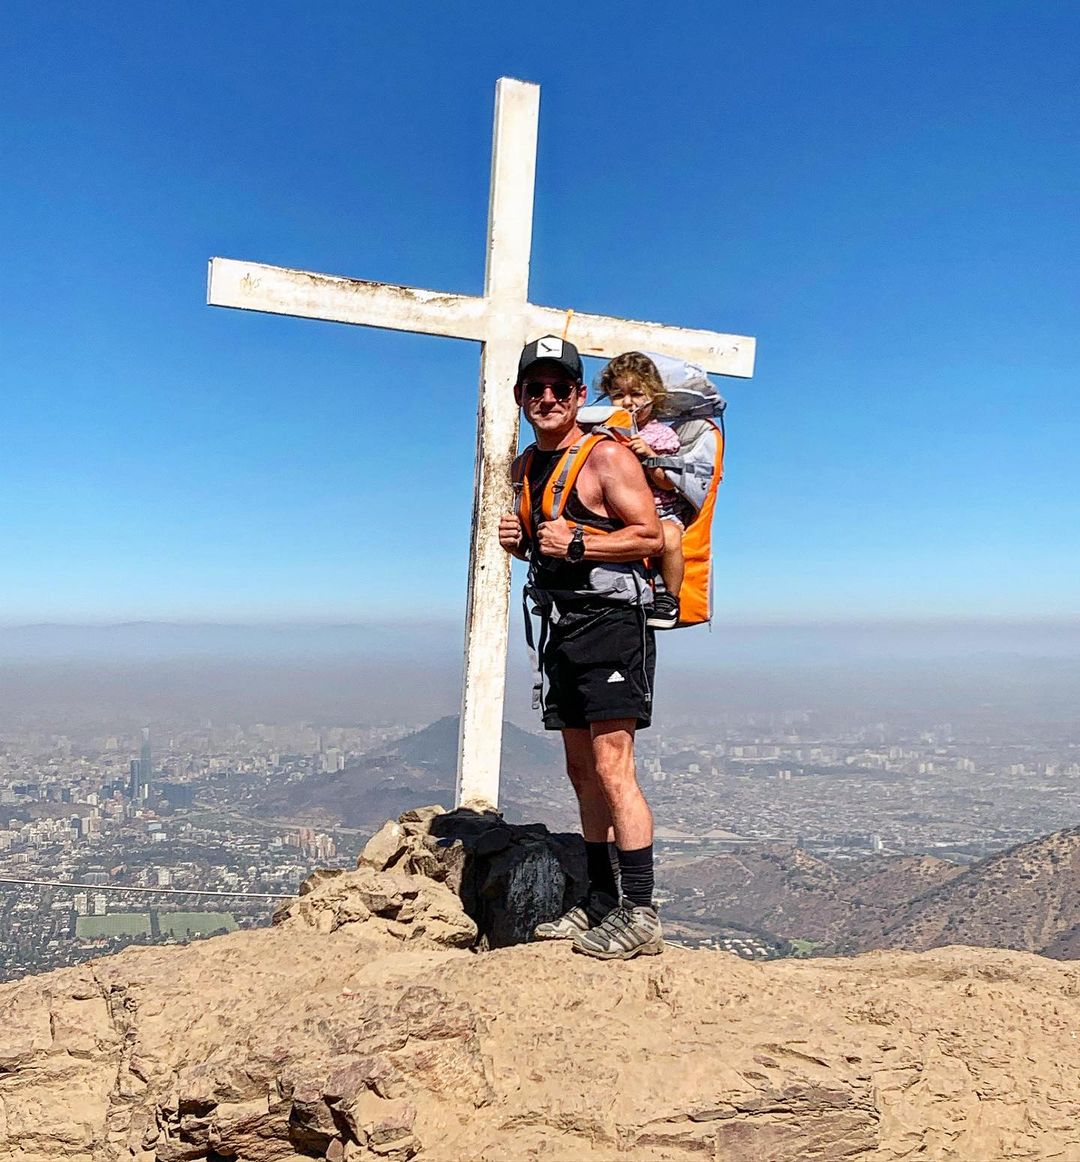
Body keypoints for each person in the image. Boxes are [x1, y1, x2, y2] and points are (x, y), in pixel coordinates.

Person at [498, 334, 666, 960]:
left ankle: (640, 911)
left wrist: (576, 546)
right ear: (519, 398)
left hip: (612, 624)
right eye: (534, 389)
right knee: (579, 770)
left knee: (612, 766)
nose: (546, 398)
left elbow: (648, 535)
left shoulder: (607, 459)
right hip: (560, 627)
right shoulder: (524, 467)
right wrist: (522, 542)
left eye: (559, 388)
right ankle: (599, 901)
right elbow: (550, 543)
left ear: (577, 395)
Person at [598, 351, 693, 630]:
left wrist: (649, 457)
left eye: (637, 393)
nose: (627, 402)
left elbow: (668, 482)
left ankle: (670, 599)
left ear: (654, 395)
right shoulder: (603, 430)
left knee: (671, 538)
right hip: (619, 510)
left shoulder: (661, 435)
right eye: (618, 394)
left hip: (660, 510)